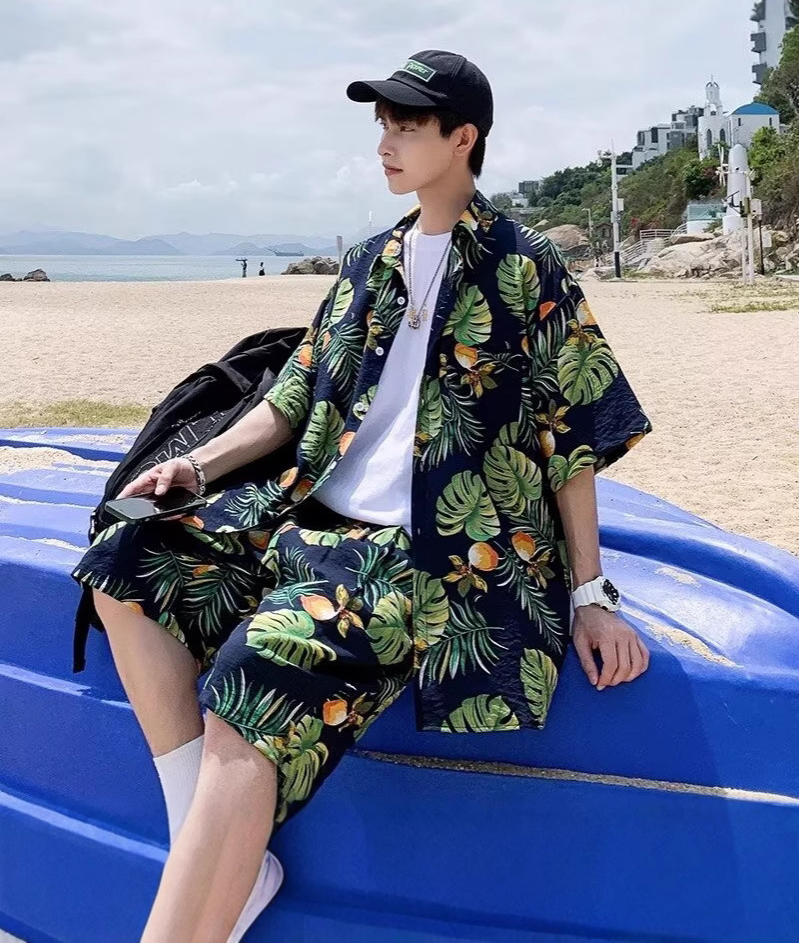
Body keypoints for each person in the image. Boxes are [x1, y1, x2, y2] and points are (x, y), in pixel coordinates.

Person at [70, 49, 653, 942]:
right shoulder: (367, 263)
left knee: (257, 668)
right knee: (126, 558)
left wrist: (590, 594)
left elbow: (570, 435)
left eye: (406, 126)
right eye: (381, 125)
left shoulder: (523, 265)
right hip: (307, 517)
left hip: (426, 556)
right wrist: (200, 467)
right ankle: (213, 843)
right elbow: (291, 399)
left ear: (462, 138)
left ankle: (205, 881)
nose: (384, 143)